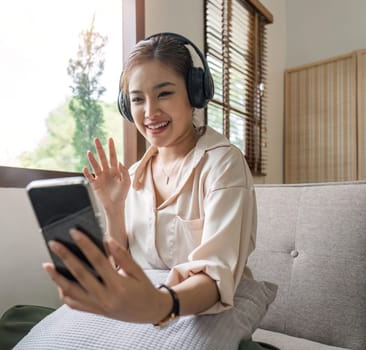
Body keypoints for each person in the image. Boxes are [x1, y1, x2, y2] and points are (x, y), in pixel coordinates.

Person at [42, 32, 257, 328]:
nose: (150, 112)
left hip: (201, 315)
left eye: (164, 93)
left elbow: (216, 277)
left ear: (195, 93)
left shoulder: (223, 164)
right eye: (137, 99)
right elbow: (123, 267)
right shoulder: (131, 177)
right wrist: (114, 209)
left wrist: (160, 305)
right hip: (144, 311)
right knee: (18, 321)